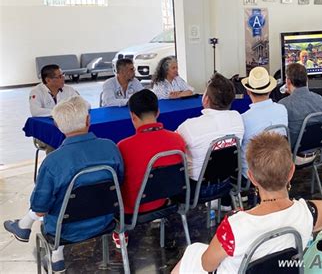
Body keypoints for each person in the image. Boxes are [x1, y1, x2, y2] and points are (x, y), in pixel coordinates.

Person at [171, 132, 322, 274]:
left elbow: (207, 265)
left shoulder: (234, 227)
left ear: (252, 178)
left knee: (193, 253)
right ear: (291, 171)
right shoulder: (307, 213)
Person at [4, 96, 123, 272]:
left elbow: (40, 206)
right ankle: (37, 237)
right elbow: (119, 183)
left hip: (65, 230)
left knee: (55, 203)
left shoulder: (53, 161)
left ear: (58, 127)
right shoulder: (111, 148)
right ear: (88, 120)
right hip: (104, 221)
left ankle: (47, 246)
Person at [114, 89, 186, 247]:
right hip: (165, 201)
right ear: (158, 112)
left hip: (133, 209)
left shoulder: (124, 146)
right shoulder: (177, 139)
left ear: (132, 116)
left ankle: (120, 233)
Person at [177, 73, 244, 192]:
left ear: (206, 99)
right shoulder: (237, 118)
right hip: (227, 182)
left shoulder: (190, 126)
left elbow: (172, 147)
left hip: (196, 188)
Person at [240, 66, 288, 178]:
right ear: (270, 90)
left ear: (248, 91)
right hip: (279, 168)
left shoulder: (244, 119)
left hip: (253, 173)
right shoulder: (282, 109)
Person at [278, 63, 322, 163]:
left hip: (293, 154)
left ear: (288, 81)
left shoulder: (283, 104)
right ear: (306, 80)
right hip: (316, 150)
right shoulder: (319, 99)